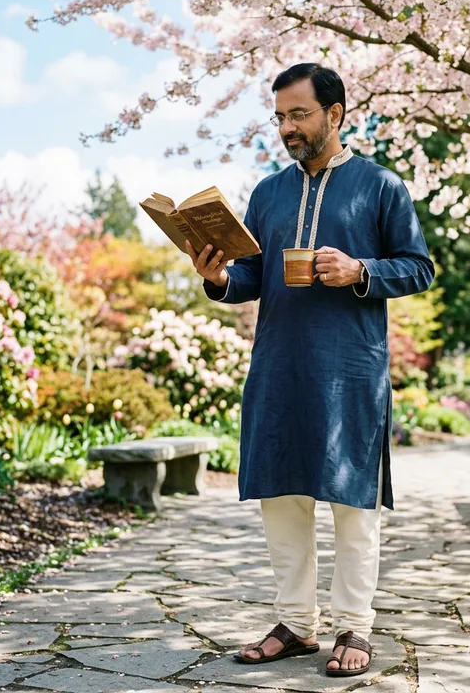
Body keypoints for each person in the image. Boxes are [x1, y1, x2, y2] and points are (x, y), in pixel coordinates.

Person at [186, 63, 434, 677]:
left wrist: (360, 272)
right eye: (280, 117)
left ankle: (356, 626)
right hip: (279, 366)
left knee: (353, 503)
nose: (288, 128)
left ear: (335, 114)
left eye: (299, 114)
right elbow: (253, 276)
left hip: (350, 368)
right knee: (283, 497)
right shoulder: (268, 193)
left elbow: (419, 267)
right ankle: (296, 623)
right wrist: (218, 277)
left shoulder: (381, 187)